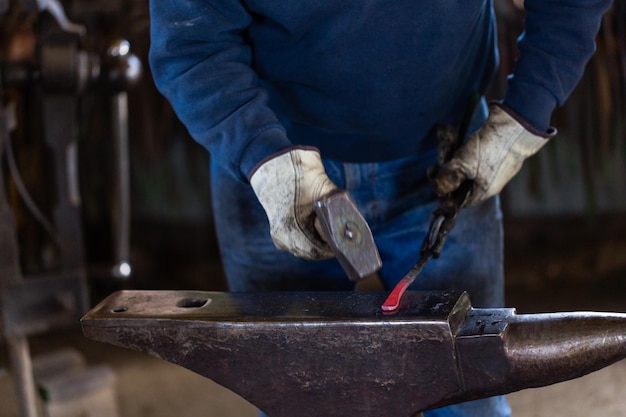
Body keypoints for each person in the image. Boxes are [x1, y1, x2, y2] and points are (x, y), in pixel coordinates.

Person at [148, 1, 613, 416]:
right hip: (271, 161)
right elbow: (190, 41)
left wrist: (529, 109)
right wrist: (258, 154)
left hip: (446, 154)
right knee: (295, 389)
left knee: (469, 389)